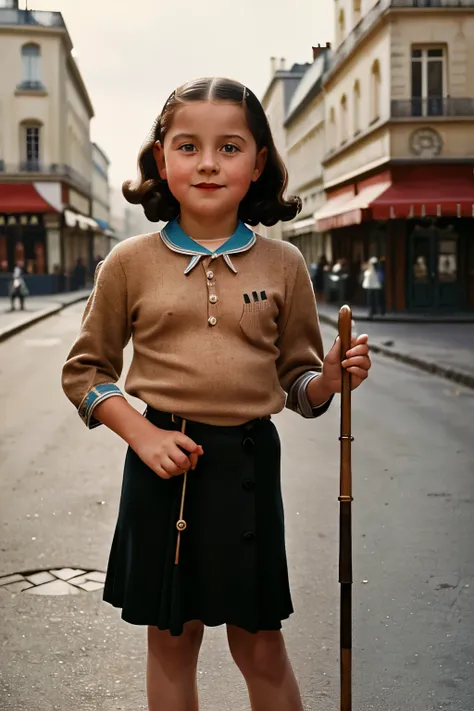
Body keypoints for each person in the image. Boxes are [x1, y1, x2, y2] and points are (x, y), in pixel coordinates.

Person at [61, 77, 371, 711]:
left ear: (259, 163)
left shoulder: (284, 264)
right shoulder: (127, 261)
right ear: (159, 159)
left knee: (260, 646)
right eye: (187, 146)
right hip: (160, 467)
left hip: (249, 466)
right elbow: (86, 372)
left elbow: (299, 385)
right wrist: (142, 435)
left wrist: (332, 379)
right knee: (173, 641)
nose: (207, 163)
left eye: (230, 147)